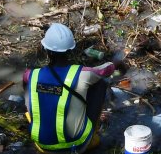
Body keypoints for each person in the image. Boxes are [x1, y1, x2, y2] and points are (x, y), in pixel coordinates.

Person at [23, 23, 114, 153]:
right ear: (71, 50)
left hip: (42, 145)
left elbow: (25, 87)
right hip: (76, 146)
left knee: (30, 89)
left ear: (46, 50)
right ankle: (92, 133)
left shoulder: (32, 75)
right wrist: (117, 61)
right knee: (100, 83)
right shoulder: (83, 74)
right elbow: (107, 69)